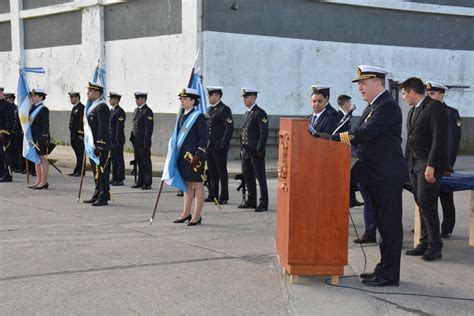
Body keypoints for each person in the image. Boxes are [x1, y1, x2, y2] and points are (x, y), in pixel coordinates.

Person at [318, 65, 408, 287]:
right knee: (382, 225)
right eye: (359, 84)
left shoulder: (386, 106)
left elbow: (365, 134)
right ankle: (382, 268)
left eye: (363, 83)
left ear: (377, 83)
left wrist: (335, 139)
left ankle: (389, 274)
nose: (359, 88)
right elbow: (361, 134)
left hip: (386, 175)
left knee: (389, 226)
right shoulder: (373, 106)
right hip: (374, 174)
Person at [402, 77, 447, 261]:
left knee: (427, 204)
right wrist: (406, 166)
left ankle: (435, 247)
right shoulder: (414, 110)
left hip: (427, 164)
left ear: (412, 92)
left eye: (405, 94)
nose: (404, 97)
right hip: (414, 163)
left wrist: (431, 166)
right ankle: (424, 242)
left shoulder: (434, 107)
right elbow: (411, 141)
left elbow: (439, 139)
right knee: (421, 204)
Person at [426, 81, 462, 238]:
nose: (429, 97)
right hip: (427, 162)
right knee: (426, 196)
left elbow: (452, 142)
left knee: (446, 196)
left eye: (432, 94)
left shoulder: (450, 113)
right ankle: (426, 226)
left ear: (441, 94)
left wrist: (448, 165)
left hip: (443, 164)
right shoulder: (424, 111)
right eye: (427, 94)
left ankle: (447, 227)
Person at [173, 88, 207, 226]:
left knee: (197, 185)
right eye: (181, 98)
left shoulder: (198, 116)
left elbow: (204, 138)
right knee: (186, 185)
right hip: (183, 156)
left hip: (195, 157)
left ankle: (197, 216)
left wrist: (198, 154)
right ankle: (186, 213)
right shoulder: (183, 115)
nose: (182, 100)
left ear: (193, 101)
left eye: (185, 98)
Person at [238, 88, 269, 212]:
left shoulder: (260, 113)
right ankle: (251, 200)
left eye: (246, 97)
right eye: (243, 97)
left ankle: (263, 202)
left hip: (255, 151)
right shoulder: (248, 113)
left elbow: (264, 133)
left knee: (260, 177)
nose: (244, 99)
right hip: (246, 151)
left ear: (253, 98)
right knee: (248, 176)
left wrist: (258, 149)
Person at [83, 82, 111, 206]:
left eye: (90, 91)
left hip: (100, 146)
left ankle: (104, 196)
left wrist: (100, 145)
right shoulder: (92, 106)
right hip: (92, 145)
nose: (87, 93)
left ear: (97, 93)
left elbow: (103, 128)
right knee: (96, 170)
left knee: (102, 170)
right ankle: (97, 192)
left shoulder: (102, 107)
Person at [204, 86, 234, 205]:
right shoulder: (210, 110)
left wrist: (223, 144)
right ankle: (213, 194)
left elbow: (229, 128)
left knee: (221, 171)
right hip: (210, 145)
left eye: (210, 96)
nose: (209, 98)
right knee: (211, 171)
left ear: (216, 95)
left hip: (219, 146)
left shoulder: (224, 109)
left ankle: (224, 196)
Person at [337, 94, 365, 209]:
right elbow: (340, 133)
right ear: (345, 104)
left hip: (347, 147)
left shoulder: (347, 116)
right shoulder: (338, 116)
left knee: (349, 174)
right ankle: (350, 199)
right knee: (347, 175)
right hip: (341, 148)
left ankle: (351, 199)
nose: (350, 105)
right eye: (349, 103)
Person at [130, 92, 154, 190]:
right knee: (139, 162)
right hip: (136, 142)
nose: (136, 101)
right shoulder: (137, 110)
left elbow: (149, 129)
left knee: (146, 162)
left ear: (144, 99)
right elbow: (134, 125)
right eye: (136, 99)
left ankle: (147, 182)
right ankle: (140, 181)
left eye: (138, 99)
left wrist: (147, 142)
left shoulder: (147, 111)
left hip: (143, 142)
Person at [29, 89, 50, 189]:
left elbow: (45, 125)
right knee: (36, 159)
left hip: (41, 138)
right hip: (33, 137)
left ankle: (44, 182)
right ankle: (39, 180)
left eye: (35, 96)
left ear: (41, 97)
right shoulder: (32, 108)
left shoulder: (43, 109)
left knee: (42, 159)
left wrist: (44, 137)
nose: (32, 98)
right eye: (32, 96)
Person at [109, 92, 126, 186]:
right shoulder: (112, 110)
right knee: (113, 159)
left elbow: (119, 128)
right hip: (112, 140)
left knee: (119, 159)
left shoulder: (120, 111)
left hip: (117, 140)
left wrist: (117, 141)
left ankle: (120, 179)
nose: (110, 100)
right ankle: (114, 177)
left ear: (116, 100)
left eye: (111, 98)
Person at [68, 92, 85, 177]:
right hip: (73, 133)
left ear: (77, 97)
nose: (71, 99)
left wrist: (80, 134)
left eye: (72, 97)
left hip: (79, 135)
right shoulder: (75, 107)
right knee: (77, 153)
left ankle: (81, 171)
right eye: (70, 98)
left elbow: (81, 122)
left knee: (80, 153)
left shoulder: (81, 108)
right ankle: (77, 169)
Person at [0, 87, 15, 182]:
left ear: (2, 93)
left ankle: (8, 174)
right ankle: (1, 173)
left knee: (5, 155)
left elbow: (9, 120)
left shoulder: (6, 105)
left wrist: (5, 132)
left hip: (3, 134)